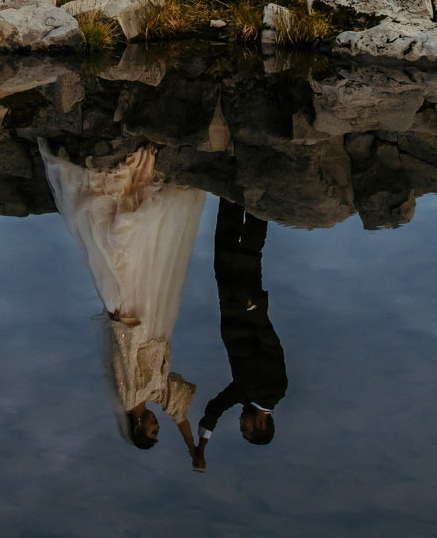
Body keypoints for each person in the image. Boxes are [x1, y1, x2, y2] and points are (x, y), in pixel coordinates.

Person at [39, 142, 209, 457]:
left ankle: (134, 169)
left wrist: (122, 324)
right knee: (146, 251)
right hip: (154, 317)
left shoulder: (130, 396)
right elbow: (178, 410)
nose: (157, 427)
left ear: (137, 427)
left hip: (133, 317)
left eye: (151, 431)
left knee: (125, 250)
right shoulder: (155, 392)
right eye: (158, 431)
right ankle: (144, 165)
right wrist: (192, 446)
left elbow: (123, 356)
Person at [194, 199, 287, 468]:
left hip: (230, 303)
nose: (239, 422)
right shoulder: (274, 390)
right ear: (260, 424)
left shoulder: (244, 393)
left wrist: (201, 447)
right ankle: (259, 195)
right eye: (244, 427)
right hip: (246, 306)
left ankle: (230, 193)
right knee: (249, 251)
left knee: (225, 246)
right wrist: (254, 308)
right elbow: (271, 345)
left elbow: (214, 408)